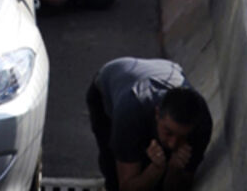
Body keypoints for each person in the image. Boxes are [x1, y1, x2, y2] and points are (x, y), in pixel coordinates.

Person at [86, 57, 212, 191]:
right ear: (157, 114)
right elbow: (126, 187)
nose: (173, 144)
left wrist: (174, 170)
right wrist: (154, 170)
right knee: (114, 176)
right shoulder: (130, 113)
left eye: (182, 137)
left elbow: (181, 186)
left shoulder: (201, 124)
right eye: (168, 133)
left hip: (164, 70)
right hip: (109, 84)